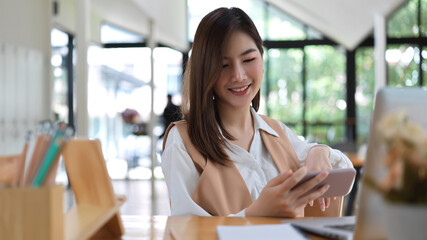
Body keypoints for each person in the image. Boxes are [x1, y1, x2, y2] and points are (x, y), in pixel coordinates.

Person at [161, 7, 353, 217]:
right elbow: (185, 228)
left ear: (261, 60)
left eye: (248, 60)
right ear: (205, 71)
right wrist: (254, 214)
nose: (238, 75)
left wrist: (319, 151)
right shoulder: (182, 141)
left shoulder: (276, 131)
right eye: (223, 65)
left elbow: (343, 172)